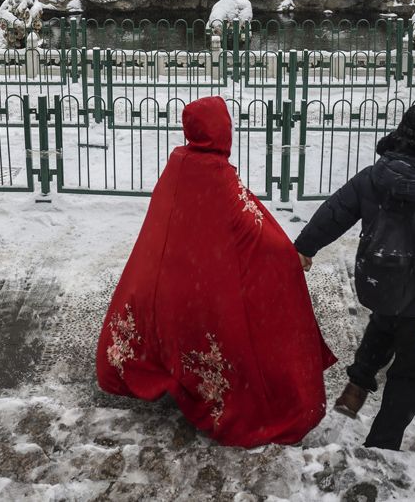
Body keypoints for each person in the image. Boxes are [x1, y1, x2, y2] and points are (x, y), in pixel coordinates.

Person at [97, 95, 336, 447]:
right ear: (222, 131)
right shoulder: (218, 176)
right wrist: (289, 257)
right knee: (243, 330)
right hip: (195, 297)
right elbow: (255, 229)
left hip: (161, 290)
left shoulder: (178, 163)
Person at [294, 100, 415, 451]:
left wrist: (305, 247)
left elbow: (336, 211)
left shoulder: (372, 179)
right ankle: (381, 444)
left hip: (379, 287)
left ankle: (356, 386)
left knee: (382, 327)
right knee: (410, 376)